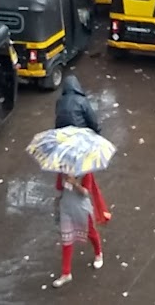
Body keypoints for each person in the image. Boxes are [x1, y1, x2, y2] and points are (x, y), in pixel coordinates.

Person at [53, 75, 111, 223]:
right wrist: (97, 134)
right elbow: (92, 121)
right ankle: (97, 212)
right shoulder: (82, 101)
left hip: (65, 145)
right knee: (87, 177)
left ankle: (62, 203)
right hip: (81, 145)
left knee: (65, 174)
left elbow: (57, 120)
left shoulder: (60, 102)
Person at [52, 173, 104, 287]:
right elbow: (59, 188)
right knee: (67, 239)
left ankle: (98, 253)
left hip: (82, 208)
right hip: (66, 208)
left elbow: (85, 193)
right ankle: (66, 273)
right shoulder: (62, 171)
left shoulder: (86, 172)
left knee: (90, 232)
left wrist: (75, 183)